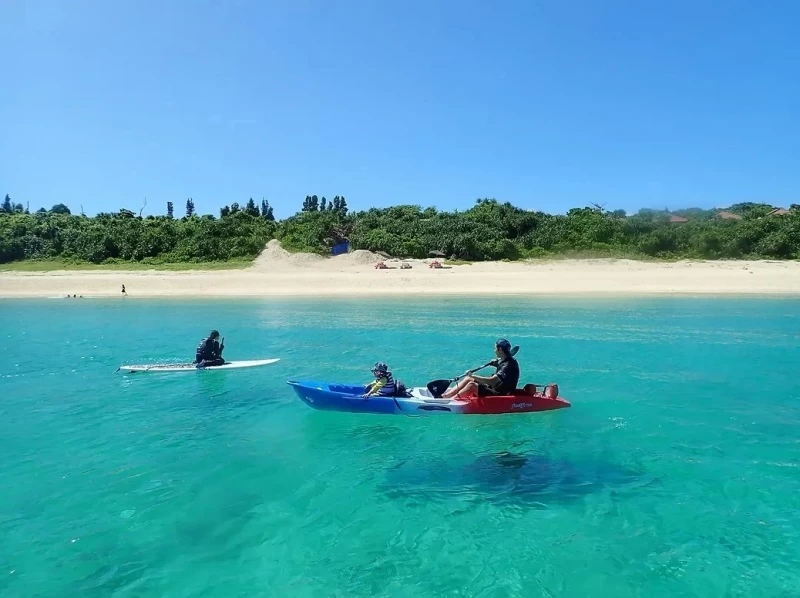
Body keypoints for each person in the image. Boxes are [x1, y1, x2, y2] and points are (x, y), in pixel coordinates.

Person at [442, 338, 520, 398]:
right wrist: (496, 365)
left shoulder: (508, 365)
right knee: (468, 379)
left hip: (499, 393)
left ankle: (452, 400)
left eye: (495, 348)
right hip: (495, 388)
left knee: (472, 385)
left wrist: (472, 375)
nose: (494, 350)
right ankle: (446, 396)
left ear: (500, 350)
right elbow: (505, 372)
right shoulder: (506, 361)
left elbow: (492, 381)